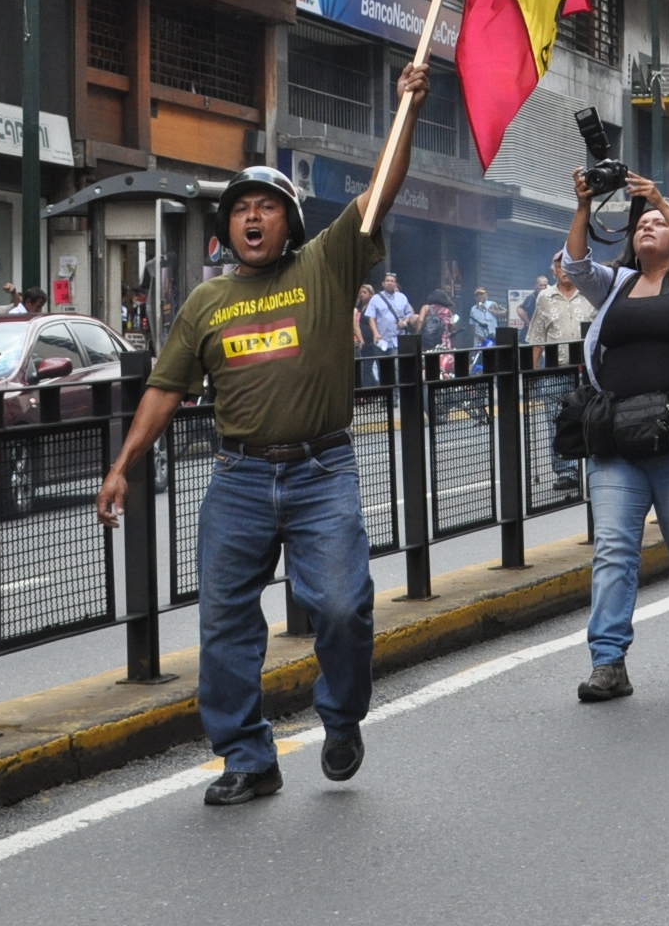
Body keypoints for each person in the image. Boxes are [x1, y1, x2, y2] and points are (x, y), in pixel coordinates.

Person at [95, 63, 429, 807]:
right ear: (227, 227)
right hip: (238, 479)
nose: (251, 218)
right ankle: (247, 756)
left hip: (321, 473)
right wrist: (123, 464)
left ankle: (340, 719)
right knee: (223, 626)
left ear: (289, 222)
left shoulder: (328, 262)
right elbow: (164, 388)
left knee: (342, 608)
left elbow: (381, 192)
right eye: (240, 209)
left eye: (265, 208)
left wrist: (406, 108)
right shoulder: (207, 302)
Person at [564, 171, 669, 703]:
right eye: (641, 225)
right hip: (618, 443)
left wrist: (657, 197)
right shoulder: (614, 287)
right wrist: (584, 207)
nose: (648, 228)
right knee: (613, 548)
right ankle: (608, 662)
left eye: (658, 223)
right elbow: (574, 266)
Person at [525, 253, 594, 495]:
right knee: (557, 421)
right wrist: (532, 376)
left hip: (588, 373)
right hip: (555, 372)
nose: (564, 269)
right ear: (554, 270)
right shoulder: (544, 297)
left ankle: (594, 468)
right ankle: (567, 472)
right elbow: (536, 338)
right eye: (559, 265)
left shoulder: (590, 292)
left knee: (592, 419)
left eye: (568, 265)